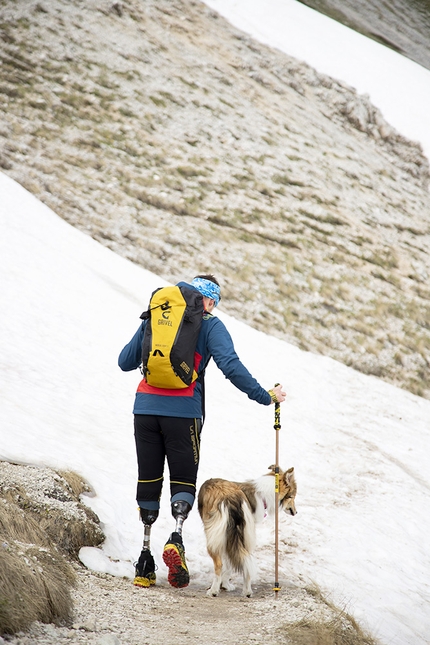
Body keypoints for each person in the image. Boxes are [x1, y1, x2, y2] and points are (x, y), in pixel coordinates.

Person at [118, 274, 286, 589]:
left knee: (149, 478)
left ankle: (144, 561)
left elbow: (124, 361)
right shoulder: (210, 325)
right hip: (183, 413)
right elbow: (231, 367)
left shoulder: (158, 315)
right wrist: (266, 396)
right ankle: (176, 539)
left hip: (144, 409)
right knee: (183, 482)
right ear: (209, 301)